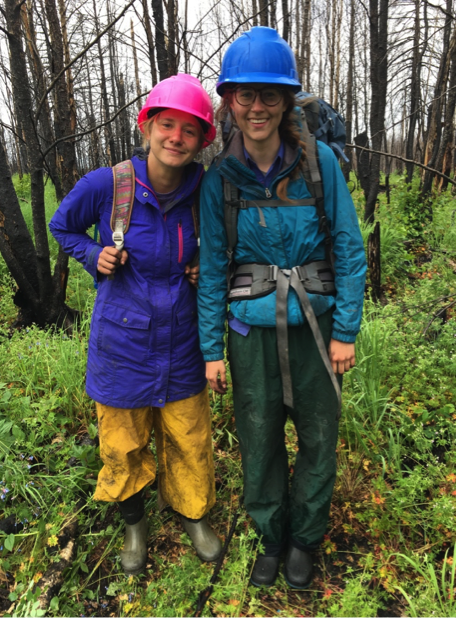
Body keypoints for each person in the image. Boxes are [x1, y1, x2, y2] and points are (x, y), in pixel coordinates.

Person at [197, 27, 367, 589]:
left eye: (269, 94)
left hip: (316, 329)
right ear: (229, 101)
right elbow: (215, 269)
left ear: (287, 99)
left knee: (319, 434)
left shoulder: (318, 164)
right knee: (260, 435)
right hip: (249, 334)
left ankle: (304, 539)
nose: (257, 107)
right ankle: (271, 535)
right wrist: (210, 351)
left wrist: (345, 329)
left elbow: (347, 246)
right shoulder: (221, 179)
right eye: (245, 94)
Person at [49, 74, 222, 575]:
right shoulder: (109, 184)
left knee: (189, 437)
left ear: (201, 141)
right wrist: (90, 253)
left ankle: (193, 515)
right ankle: (134, 526)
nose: (176, 138)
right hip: (121, 344)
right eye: (166, 125)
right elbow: (62, 227)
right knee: (123, 443)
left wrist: (206, 263)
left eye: (189, 131)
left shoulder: (205, 190)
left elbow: (228, 242)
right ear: (146, 126)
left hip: (184, 341)